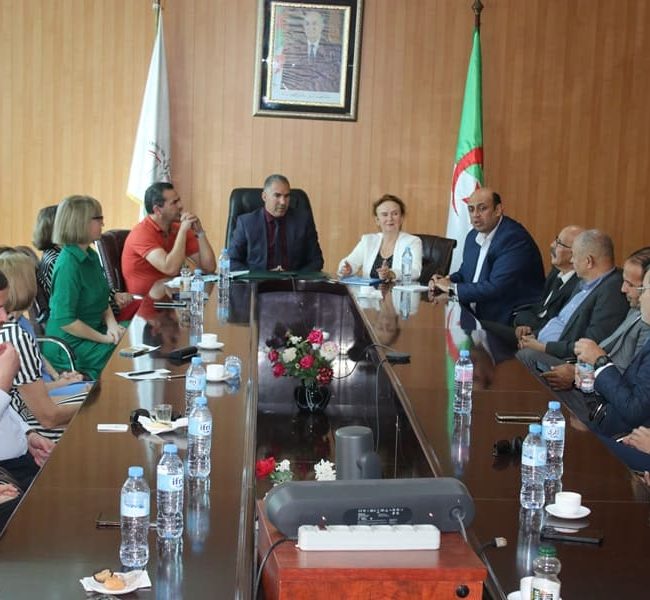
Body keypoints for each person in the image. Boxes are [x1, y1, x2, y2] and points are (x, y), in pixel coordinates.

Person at [541, 247, 650, 397]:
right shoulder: (634, 310)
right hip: (588, 374)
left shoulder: (646, 326)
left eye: (630, 284)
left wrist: (577, 377)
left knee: (527, 358)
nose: (623, 289)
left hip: (600, 394)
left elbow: (627, 380)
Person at [429, 188, 545, 324]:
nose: (475, 215)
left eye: (482, 208)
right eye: (471, 209)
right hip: (474, 315)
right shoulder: (472, 236)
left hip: (507, 319)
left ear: (498, 210)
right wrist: (444, 280)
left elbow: (495, 287)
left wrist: (451, 288)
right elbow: (465, 274)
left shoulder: (513, 238)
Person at [517, 230, 629, 365]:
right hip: (544, 345)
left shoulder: (612, 292)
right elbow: (560, 321)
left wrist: (543, 347)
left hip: (565, 360)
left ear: (588, 261)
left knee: (524, 356)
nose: (571, 260)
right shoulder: (584, 282)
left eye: (574, 256)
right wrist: (534, 336)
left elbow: (590, 343)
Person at [44, 195, 126, 379]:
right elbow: (66, 321)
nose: (103, 223)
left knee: (135, 334)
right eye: (98, 218)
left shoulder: (90, 254)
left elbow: (102, 298)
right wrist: (105, 338)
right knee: (125, 354)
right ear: (80, 222)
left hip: (93, 332)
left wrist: (112, 325)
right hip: (70, 346)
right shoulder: (68, 265)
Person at [0, 254, 80, 441]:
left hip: (22, 423)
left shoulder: (16, 330)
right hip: (25, 428)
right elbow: (48, 418)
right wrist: (91, 406)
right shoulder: (14, 336)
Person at [0, 271, 55, 531]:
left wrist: (27, 434)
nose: (3, 317)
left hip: (17, 464)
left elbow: (7, 412)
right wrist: (3, 384)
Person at [579, 258, 650, 436]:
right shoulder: (635, 314)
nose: (641, 297)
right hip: (606, 410)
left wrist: (600, 362)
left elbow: (634, 410)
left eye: (645, 289)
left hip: (625, 435)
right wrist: (592, 373)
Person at [32, 204, 133, 319]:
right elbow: (80, 306)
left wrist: (115, 295)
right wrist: (115, 306)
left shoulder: (74, 253)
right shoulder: (56, 262)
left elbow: (95, 286)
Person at [122, 182, 216, 296]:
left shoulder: (177, 228)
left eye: (179, 200)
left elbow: (209, 268)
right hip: (145, 301)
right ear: (158, 210)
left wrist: (200, 232)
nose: (181, 206)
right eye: (174, 203)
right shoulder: (141, 234)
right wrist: (182, 232)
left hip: (172, 297)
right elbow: (170, 268)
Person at [229, 174, 324, 272]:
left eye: (287, 196)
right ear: (264, 196)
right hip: (257, 280)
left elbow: (316, 261)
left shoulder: (303, 222)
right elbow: (231, 261)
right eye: (277, 195)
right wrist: (261, 276)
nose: (283, 202)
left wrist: (295, 277)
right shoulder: (246, 223)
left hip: (293, 280)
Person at [513, 225, 584, 335]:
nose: (552, 245)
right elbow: (541, 306)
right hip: (529, 329)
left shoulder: (577, 287)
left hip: (541, 337)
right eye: (556, 240)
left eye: (559, 243)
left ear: (573, 254)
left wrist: (529, 328)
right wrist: (522, 321)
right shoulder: (556, 272)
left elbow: (557, 326)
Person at [338, 195, 422, 282]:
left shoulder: (412, 241)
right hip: (369, 291)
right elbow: (350, 263)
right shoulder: (368, 240)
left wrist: (392, 274)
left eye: (395, 214)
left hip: (397, 290)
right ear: (377, 220)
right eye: (384, 214)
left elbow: (415, 271)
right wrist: (347, 269)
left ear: (401, 218)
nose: (390, 218)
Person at [281, 10, 342, 93]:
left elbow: (336, 82)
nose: (311, 27)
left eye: (314, 23)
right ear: (304, 27)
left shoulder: (334, 51)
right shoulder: (293, 50)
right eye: (307, 24)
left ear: (322, 26)